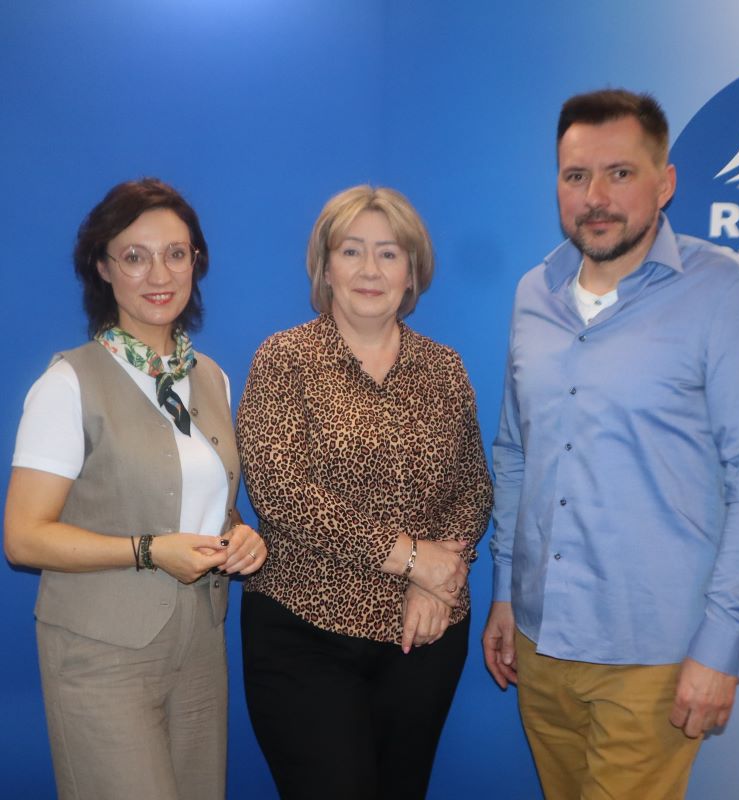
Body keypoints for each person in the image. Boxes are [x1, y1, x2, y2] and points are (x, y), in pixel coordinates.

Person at [482, 89, 739, 799]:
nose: (595, 197)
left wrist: (720, 647)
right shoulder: (534, 293)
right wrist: (505, 594)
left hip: (654, 657)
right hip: (539, 641)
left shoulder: (728, 295)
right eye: (575, 176)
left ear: (665, 182)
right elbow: (516, 451)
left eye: (619, 173)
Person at [3, 178, 266, 800]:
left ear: (196, 262)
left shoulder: (210, 378)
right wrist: (148, 550)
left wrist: (240, 537)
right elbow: (22, 538)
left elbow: (209, 506)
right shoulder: (68, 383)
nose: (160, 274)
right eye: (134, 256)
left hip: (199, 647)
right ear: (102, 267)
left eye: (176, 254)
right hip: (99, 653)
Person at [236, 184, 493, 800]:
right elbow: (281, 491)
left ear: (412, 273)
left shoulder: (445, 368)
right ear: (325, 268)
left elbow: (474, 486)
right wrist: (413, 558)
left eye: (389, 253)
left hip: (424, 635)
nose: (370, 270)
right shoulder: (284, 360)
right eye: (351, 251)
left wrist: (434, 578)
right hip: (306, 631)